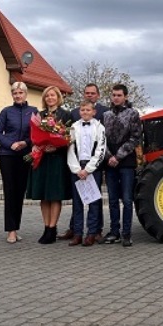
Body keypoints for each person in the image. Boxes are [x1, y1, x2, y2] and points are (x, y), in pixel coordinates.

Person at [60, 83, 109, 241]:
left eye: (88, 110)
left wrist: (88, 169)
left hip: (92, 168)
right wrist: (76, 169)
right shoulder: (73, 126)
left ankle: (92, 233)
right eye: (82, 110)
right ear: (79, 112)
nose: (85, 112)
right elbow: (70, 149)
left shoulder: (99, 127)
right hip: (77, 167)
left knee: (94, 201)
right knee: (77, 202)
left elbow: (101, 149)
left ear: (94, 112)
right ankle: (77, 233)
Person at [26, 85, 72, 244]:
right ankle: (46, 227)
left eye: (52, 95)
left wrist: (58, 145)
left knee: (54, 195)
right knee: (43, 196)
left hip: (57, 159)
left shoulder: (65, 115)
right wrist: (36, 145)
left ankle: (53, 228)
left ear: (58, 97)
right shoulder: (39, 115)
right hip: (42, 158)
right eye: (47, 96)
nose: (50, 98)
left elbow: (69, 138)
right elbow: (33, 135)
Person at [0, 81, 37, 244]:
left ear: (26, 94)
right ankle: (10, 230)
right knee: (10, 192)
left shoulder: (33, 112)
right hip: (7, 155)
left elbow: (36, 133)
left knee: (20, 193)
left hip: (25, 155)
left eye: (21, 93)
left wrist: (25, 143)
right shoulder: (6, 112)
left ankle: (16, 227)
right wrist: (10, 144)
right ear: (12, 95)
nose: (18, 96)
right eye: (15, 93)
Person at [102, 84, 141, 247]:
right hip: (110, 162)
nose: (116, 98)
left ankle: (126, 233)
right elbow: (101, 138)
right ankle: (114, 232)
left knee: (126, 199)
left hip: (126, 162)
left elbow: (135, 137)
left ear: (125, 96)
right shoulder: (106, 115)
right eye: (113, 95)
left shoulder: (133, 114)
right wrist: (110, 156)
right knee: (112, 200)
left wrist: (118, 156)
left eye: (119, 95)